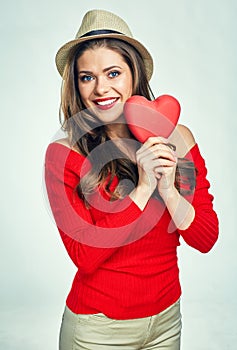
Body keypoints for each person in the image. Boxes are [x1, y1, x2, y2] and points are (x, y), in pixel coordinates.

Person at [44, 9, 219, 350]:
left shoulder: (177, 138)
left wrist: (168, 190)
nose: (101, 88)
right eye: (86, 77)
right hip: (97, 330)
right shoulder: (64, 154)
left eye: (113, 73)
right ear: (76, 85)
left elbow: (206, 237)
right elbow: (85, 255)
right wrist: (142, 188)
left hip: (166, 323)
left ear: (133, 74)